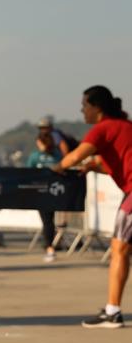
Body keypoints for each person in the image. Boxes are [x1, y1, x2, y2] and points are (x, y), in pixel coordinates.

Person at [53, 85, 132, 329]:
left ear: (97, 107)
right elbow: (116, 165)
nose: (82, 110)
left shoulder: (103, 128)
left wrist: (56, 169)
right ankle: (112, 309)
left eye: (84, 105)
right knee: (122, 248)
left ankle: (112, 311)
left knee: (119, 248)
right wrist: (94, 167)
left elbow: (74, 156)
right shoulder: (124, 127)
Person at [27, 128, 63, 262]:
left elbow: (63, 167)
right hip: (41, 192)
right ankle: (49, 245)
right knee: (48, 221)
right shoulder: (35, 156)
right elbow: (27, 173)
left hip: (52, 192)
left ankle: (50, 247)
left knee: (48, 221)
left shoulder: (56, 155)